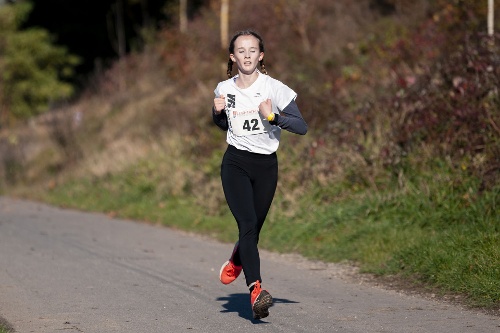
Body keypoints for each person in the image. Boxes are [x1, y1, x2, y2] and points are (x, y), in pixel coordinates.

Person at [212, 29, 307, 320]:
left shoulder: (274, 88)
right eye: (241, 51)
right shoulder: (223, 89)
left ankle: (237, 259)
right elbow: (225, 126)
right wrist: (216, 114)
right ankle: (256, 290)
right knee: (248, 223)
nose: (247, 55)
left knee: (253, 230)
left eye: (252, 50)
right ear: (233, 56)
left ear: (261, 55)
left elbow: (301, 126)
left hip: (266, 166)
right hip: (236, 164)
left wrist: (273, 116)